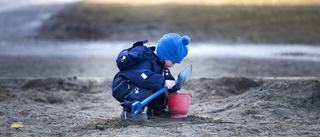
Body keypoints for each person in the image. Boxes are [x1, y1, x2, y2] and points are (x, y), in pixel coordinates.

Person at [112, 33, 190, 121]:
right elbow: (145, 78)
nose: (173, 66)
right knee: (153, 83)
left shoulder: (161, 66)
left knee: (162, 85)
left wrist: (175, 90)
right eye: (173, 62)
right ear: (166, 55)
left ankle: (155, 111)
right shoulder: (145, 60)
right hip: (124, 86)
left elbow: (168, 78)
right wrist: (163, 82)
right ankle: (129, 112)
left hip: (136, 85)